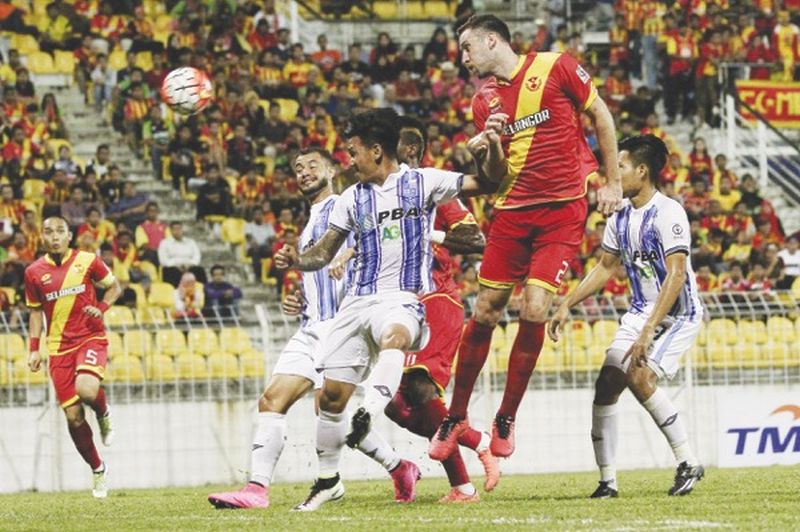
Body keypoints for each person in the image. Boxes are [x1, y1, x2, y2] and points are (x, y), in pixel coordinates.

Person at [274, 108, 496, 511]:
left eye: (353, 151)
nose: (348, 160)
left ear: (376, 151)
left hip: (403, 297)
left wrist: (487, 149)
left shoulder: (423, 182)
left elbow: (485, 182)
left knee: (397, 334)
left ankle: (370, 411)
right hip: (356, 302)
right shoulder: (349, 200)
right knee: (330, 400)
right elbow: (321, 255)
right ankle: (326, 481)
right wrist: (296, 260)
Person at [430, 14, 622, 460]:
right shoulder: (484, 102)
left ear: (492, 40)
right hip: (512, 215)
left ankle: (506, 416)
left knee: (534, 306)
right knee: (485, 308)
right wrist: (491, 147)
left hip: (561, 213)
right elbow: (494, 179)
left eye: (466, 48)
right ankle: (456, 414)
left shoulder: (557, 66)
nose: (463, 58)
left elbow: (602, 116)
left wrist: (611, 182)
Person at [208, 147, 419, 510]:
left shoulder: (350, 204)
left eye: (312, 166)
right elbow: (317, 278)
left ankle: (394, 467)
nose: (303, 172)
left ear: (333, 169)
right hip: (310, 326)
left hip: (343, 325)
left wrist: (347, 256)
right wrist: (298, 300)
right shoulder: (309, 223)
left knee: (328, 411)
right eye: (298, 168)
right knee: (272, 401)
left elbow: (380, 240)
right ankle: (256, 490)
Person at [549, 135, 705, 499]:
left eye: (620, 167)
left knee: (638, 374)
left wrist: (648, 331)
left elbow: (676, 275)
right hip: (640, 312)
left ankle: (687, 461)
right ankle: (607, 482)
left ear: (642, 170)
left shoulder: (669, 213)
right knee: (607, 383)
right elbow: (606, 266)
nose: (613, 172)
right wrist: (567, 302)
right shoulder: (620, 214)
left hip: (677, 315)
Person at [24, 216, 122, 498]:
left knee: (87, 389)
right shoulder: (33, 272)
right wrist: (34, 349)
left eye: (59, 231)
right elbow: (34, 312)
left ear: (69, 236)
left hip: (90, 336)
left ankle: (103, 413)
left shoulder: (88, 260)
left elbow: (115, 286)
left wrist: (101, 307)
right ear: (42, 237)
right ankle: (98, 469)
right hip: (58, 349)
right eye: (48, 232)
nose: (54, 236)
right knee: (74, 417)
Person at [158, 221, 206, 286]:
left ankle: (202, 292)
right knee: (171, 272)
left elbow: (197, 256)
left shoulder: (190, 242)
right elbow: (163, 260)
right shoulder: (164, 243)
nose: (177, 231)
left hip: (189, 266)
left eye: (179, 229)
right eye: (175, 229)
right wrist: (177, 265)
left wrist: (189, 265)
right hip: (173, 267)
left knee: (199, 270)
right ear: (171, 231)